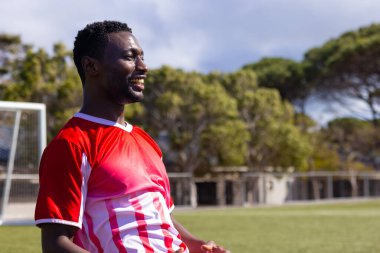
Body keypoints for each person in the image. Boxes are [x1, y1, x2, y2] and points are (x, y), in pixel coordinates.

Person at [34, 20, 229, 253]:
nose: (143, 66)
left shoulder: (146, 141)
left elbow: (160, 216)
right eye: (130, 57)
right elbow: (55, 244)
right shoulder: (71, 144)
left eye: (142, 57)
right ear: (91, 66)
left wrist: (197, 245)